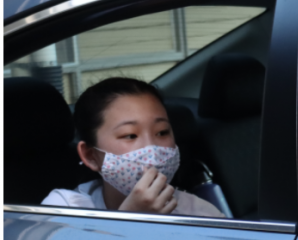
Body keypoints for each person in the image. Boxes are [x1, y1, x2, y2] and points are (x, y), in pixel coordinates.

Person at [42, 77, 224, 217]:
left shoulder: (199, 212)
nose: (151, 148)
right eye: (130, 135)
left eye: (162, 132)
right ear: (91, 156)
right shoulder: (64, 210)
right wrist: (130, 221)